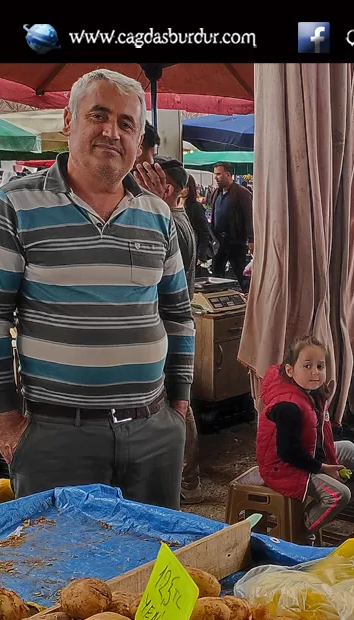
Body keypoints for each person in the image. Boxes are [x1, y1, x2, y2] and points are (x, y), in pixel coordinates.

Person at [0, 68, 194, 508]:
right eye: (99, 115)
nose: (112, 132)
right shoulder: (15, 202)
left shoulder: (157, 213)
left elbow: (179, 315)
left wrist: (179, 408)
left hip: (153, 433)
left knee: (152, 567)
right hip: (57, 437)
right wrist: (7, 420)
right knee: (60, 570)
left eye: (127, 124)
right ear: (69, 122)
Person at [254, 335, 354, 538]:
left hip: (306, 455)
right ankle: (300, 532)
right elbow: (288, 453)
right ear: (289, 370)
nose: (315, 372)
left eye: (320, 366)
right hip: (284, 468)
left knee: (348, 447)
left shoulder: (307, 393)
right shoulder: (288, 406)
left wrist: (326, 458)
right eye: (307, 366)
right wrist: (323, 468)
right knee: (340, 495)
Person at [133, 155, 204, 504]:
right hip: (164, 326)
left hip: (165, 326)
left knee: (178, 404)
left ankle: (187, 477)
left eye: (144, 177)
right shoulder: (178, 217)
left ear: (168, 188)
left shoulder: (172, 223)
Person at [207, 161, 253, 290]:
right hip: (219, 241)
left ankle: (248, 297)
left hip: (235, 241)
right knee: (217, 274)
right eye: (215, 174)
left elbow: (249, 216)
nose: (216, 177)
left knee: (241, 273)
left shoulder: (242, 193)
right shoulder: (216, 192)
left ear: (228, 174)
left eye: (218, 174)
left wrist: (251, 239)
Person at [185, 174, 213, 268]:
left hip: (193, 250)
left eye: (185, 186)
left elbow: (204, 232)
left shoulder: (195, 207)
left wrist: (201, 255)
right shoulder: (174, 205)